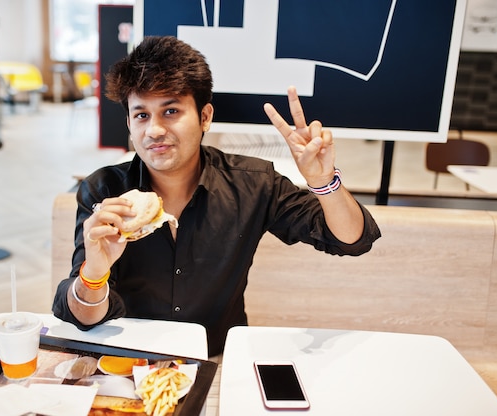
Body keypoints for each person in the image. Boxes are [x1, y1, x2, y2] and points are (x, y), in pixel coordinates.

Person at [52, 35, 381, 356]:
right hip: (126, 365)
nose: (153, 130)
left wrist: (324, 181)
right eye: (141, 115)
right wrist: (94, 274)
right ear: (129, 123)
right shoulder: (105, 191)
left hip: (216, 360)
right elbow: (83, 318)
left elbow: (352, 240)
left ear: (205, 116)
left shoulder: (253, 183)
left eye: (170, 111)